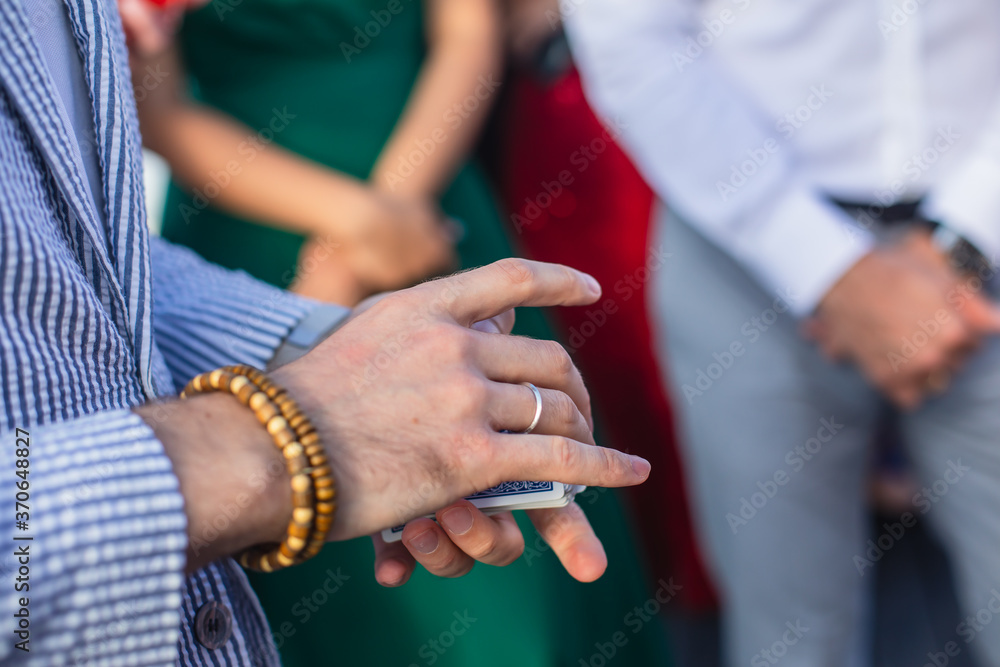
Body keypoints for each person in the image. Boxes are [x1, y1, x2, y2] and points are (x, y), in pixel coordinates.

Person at [0, 0, 651, 664]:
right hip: (255, 220)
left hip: (419, 231)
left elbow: (73, 259)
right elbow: (159, 110)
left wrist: (329, 333)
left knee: (514, 587)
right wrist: (296, 426)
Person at [568, 2, 1000, 666]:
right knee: (790, 639)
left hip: (984, 228)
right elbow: (631, 37)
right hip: (739, 239)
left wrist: (969, 235)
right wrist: (826, 266)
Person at [494, 1, 720, 664]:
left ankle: (701, 586)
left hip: (654, 91)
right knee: (593, 352)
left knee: (667, 349)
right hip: (555, 100)